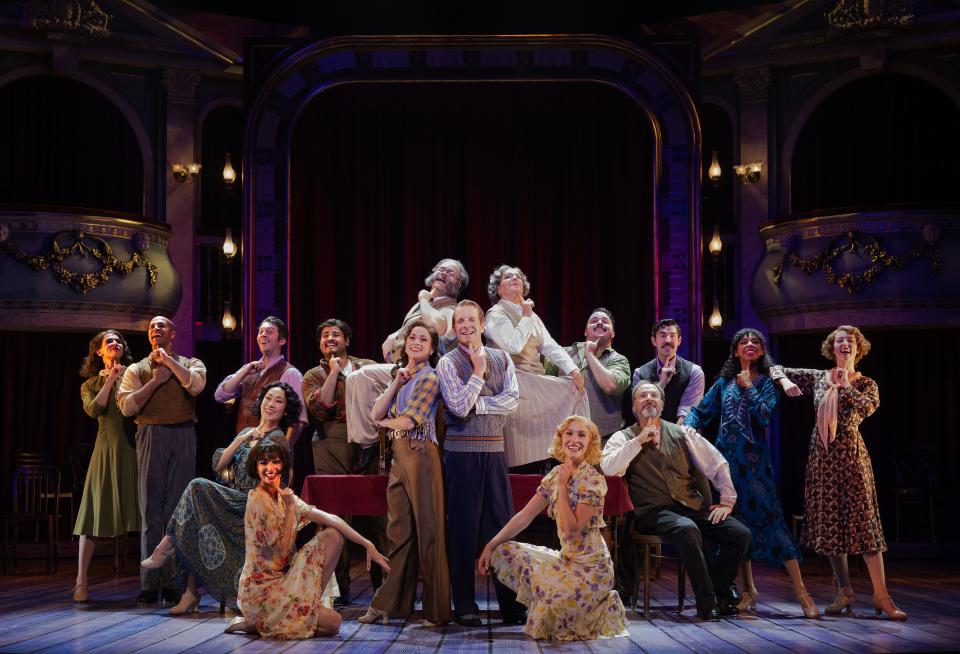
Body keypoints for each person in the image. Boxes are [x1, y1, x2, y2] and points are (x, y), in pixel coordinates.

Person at [772, 325, 906, 620]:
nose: (845, 344)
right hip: (822, 458)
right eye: (840, 341)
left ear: (859, 348)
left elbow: (869, 407)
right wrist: (783, 381)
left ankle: (881, 595)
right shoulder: (819, 377)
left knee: (865, 524)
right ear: (831, 348)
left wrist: (846, 386)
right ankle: (844, 591)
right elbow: (776, 367)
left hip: (851, 456)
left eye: (851, 341)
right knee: (830, 527)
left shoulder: (866, 382)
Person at [685, 328, 817, 618]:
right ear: (735, 351)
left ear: (761, 352)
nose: (748, 345)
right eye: (743, 341)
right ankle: (749, 590)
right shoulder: (723, 383)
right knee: (736, 529)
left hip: (756, 467)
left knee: (773, 525)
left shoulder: (768, 383)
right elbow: (701, 410)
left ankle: (802, 593)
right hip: (727, 468)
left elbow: (764, 416)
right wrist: (689, 425)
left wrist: (749, 387)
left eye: (755, 342)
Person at [140, 382, 301, 615]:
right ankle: (189, 593)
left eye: (278, 401)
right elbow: (220, 464)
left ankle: (168, 545)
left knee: (197, 487)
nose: (271, 405)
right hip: (235, 498)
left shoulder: (278, 440)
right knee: (196, 514)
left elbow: (274, 481)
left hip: (256, 504)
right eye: (268, 398)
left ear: (285, 410)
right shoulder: (247, 432)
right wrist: (242, 439)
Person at [601, 382, 750, 621]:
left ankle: (719, 589)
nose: (649, 399)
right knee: (685, 528)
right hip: (651, 513)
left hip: (689, 507)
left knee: (739, 533)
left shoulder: (682, 433)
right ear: (634, 406)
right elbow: (609, 468)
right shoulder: (623, 437)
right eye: (642, 396)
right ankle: (707, 603)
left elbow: (716, 463)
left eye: (653, 395)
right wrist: (638, 441)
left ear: (661, 404)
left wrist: (727, 501)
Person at [478, 416, 628, 641]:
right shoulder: (555, 474)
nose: (574, 439)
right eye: (569, 433)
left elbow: (571, 532)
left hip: (592, 572)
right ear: (561, 439)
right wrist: (489, 546)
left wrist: (562, 485)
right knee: (504, 550)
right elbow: (524, 516)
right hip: (566, 561)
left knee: (548, 613)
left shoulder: (593, 481)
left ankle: (574, 603)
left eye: (581, 435)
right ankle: (551, 595)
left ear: (590, 443)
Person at [236, 438, 391, 639]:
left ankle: (297, 610)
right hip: (261, 593)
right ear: (255, 466)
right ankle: (259, 622)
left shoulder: (285, 496)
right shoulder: (257, 500)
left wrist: (366, 543)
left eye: (275, 461)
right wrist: (291, 508)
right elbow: (281, 552)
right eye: (263, 462)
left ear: (283, 465)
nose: (270, 467)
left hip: (284, 581)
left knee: (334, 536)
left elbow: (332, 518)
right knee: (333, 623)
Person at [436, 300, 526, 626]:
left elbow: (512, 400)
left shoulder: (502, 358)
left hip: (494, 452)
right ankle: (464, 603)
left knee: (500, 528)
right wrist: (476, 373)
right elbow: (458, 407)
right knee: (462, 530)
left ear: (482, 323)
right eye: (459, 321)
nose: (465, 325)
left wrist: (480, 405)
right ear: (454, 327)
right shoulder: (447, 363)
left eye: (470, 320)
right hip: (460, 456)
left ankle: (511, 605)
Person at [358, 321, 451, 627]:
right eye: (413, 337)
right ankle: (392, 605)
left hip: (421, 453)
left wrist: (385, 423)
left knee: (429, 533)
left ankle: (437, 611)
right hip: (399, 455)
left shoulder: (430, 377)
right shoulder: (401, 376)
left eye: (424, 339)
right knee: (399, 533)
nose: (416, 342)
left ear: (432, 347)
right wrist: (396, 382)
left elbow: (409, 421)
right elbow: (374, 413)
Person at [118, 316, 206, 606]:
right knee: (151, 509)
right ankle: (149, 585)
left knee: (177, 510)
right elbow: (127, 406)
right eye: (152, 327)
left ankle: (173, 583)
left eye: (162, 326)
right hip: (150, 434)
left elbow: (195, 386)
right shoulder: (136, 369)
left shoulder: (191, 362)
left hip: (182, 433)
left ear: (173, 333)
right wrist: (155, 382)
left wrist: (169, 363)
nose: (156, 330)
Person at [345, 258, 468, 453]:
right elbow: (405, 330)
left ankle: (368, 446)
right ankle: (363, 443)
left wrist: (423, 299)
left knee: (363, 376)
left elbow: (437, 327)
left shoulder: (453, 309)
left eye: (450, 273)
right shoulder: (422, 306)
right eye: (441, 269)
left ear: (458, 284)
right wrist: (392, 337)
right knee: (353, 378)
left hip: (425, 371)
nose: (443, 273)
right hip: (403, 367)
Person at [301, 318, 384, 605]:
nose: (330, 339)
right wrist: (334, 372)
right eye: (325, 336)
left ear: (347, 340)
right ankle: (339, 591)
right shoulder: (313, 374)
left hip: (369, 441)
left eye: (336, 334)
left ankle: (384, 587)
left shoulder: (368, 366)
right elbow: (320, 408)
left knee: (378, 515)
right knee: (334, 517)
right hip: (331, 441)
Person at [483, 264, 588, 470]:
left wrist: (573, 370)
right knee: (521, 448)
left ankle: (570, 461)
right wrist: (526, 317)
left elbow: (549, 345)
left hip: (533, 379)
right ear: (498, 289)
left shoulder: (531, 315)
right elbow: (513, 345)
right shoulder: (495, 314)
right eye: (508, 277)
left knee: (577, 389)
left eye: (518, 277)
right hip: (512, 381)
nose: (515, 278)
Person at [73, 330, 140, 603]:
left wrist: (122, 378)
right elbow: (94, 410)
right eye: (108, 341)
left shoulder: (135, 375)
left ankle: (156, 581)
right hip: (106, 452)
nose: (115, 344)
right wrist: (110, 378)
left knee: (147, 516)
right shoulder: (89, 384)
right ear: (99, 351)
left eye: (118, 341)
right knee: (91, 517)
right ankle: (80, 581)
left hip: (133, 450)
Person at [214, 316, 307, 444]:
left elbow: (299, 420)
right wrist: (244, 372)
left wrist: (285, 450)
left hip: (270, 446)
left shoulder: (290, 373)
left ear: (282, 340)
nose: (263, 335)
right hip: (243, 444)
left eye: (269, 332)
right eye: (260, 332)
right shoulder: (249, 369)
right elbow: (220, 396)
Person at [544, 307, 630, 441]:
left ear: (613, 333)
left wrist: (589, 354)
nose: (600, 323)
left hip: (603, 440)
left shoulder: (619, 360)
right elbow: (544, 383)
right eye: (594, 320)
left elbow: (611, 385)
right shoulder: (563, 354)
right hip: (564, 439)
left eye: (605, 321)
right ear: (585, 331)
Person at [631, 318, 705, 425]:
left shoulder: (694, 372)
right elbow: (639, 412)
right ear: (653, 341)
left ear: (679, 341)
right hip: (648, 432)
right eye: (662, 335)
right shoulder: (640, 373)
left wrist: (670, 438)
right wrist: (661, 384)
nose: (668, 340)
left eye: (672, 335)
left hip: (681, 436)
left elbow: (687, 414)